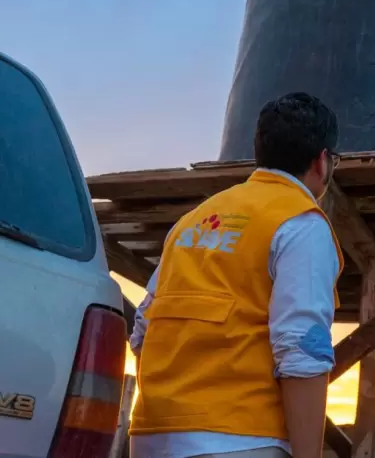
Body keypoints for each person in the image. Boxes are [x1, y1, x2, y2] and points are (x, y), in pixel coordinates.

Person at [129, 92, 344, 458]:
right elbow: (302, 349)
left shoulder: (191, 222)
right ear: (322, 162)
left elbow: (142, 331)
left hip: (151, 437)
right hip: (243, 439)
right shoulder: (300, 222)